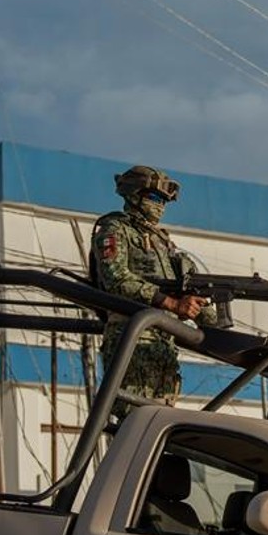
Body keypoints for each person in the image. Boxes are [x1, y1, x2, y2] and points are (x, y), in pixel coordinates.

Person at [90, 164, 211, 404]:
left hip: (163, 341)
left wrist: (206, 315)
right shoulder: (114, 231)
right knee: (133, 418)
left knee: (161, 417)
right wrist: (171, 304)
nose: (161, 205)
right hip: (132, 338)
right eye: (155, 197)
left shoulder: (163, 243)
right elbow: (116, 278)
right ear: (134, 195)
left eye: (165, 201)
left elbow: (184, 291)